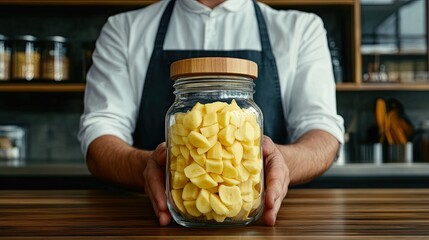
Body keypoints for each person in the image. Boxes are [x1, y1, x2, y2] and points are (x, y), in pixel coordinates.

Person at [78, 0, 345, 226]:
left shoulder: (300, 28)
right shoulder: (124, 29)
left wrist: (277, 162)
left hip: (262, 222)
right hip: (152, 221)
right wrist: (155, 168)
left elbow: (323, 131)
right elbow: (100, 131)